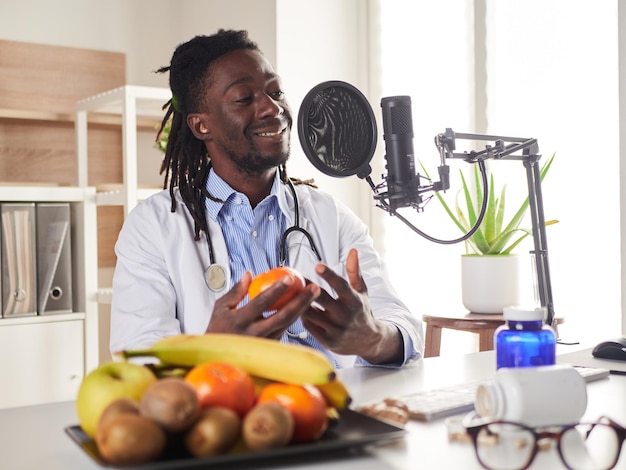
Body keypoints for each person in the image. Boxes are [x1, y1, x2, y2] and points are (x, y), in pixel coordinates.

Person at [110, 29, 423, 368]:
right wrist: (213, 350)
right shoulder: (153, 226)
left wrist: (374, 337)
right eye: (245, 98)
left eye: (275, 92)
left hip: (330, 409)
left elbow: (403, 326)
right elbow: (137, 357)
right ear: (202, 126)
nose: (272, 108)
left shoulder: (327, 215)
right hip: (228, 413)